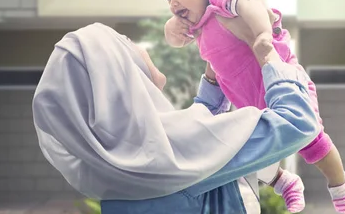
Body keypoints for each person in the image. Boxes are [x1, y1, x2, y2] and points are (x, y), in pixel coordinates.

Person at [32, 22, 321, 213]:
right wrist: (270, 57)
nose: (141, 47)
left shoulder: (110, 170)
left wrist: (216, 72)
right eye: (127, 41)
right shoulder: (172, 157)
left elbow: (192, 136)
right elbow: (297, 122)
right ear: (118, 71)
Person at [155, 0, 345, 214]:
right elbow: (177, 41)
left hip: (281, 77)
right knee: (247, 148)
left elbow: (250, 2)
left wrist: (263, 34)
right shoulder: (197, 21)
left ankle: (340, 185)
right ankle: (283, 182)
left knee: (312, 142)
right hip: (247, 99)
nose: (173, 3)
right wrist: (172, 30)